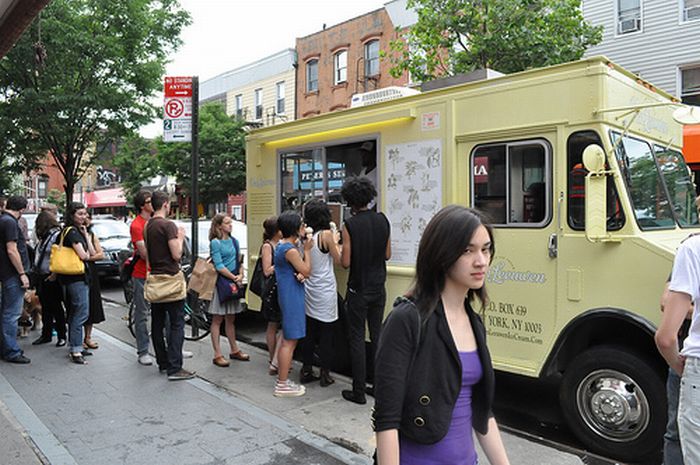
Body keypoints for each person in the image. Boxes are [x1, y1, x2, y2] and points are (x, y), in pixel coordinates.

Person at [373, 206, 510, 465]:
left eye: (486, 249)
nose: (481, 260)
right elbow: (386, 420)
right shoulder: (408, 319)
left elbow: (481, 411)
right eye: (467, 250)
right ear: (441, 254)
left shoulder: (475, 323)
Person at [340, 176, 391, 404]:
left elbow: (346, 262)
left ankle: (358, 391)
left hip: (358, 289)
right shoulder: (383, 220)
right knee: (378, 336)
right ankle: (379, 388)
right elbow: (387, 254)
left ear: (349, 200)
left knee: (357, 339)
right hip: (379, 287)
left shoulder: (349, 225)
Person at [656, 234, 700, 464]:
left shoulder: (692, 248)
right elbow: (666, 300)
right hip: (686, 353)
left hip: (690, 362)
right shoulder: (690, 245)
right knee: (675, 434)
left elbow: (665, 335)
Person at [144, 191, 194, 381]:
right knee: (176, 324)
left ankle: (163, 362)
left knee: (157, 322)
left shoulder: (148, 226)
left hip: (156, 279)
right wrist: (180, 236)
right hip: (171, 279)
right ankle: (175, 368)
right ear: (165, 204)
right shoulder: (168, 225)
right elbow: (176, 254)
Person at [273, 210, 313, 397]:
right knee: (289, 341)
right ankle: (282, 384)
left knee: (289, 339)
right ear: (296, 228)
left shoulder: (283, 247)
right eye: (302, 225)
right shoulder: (289, 250)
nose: (304, 228)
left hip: (288, 293)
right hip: (291, 296)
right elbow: (306, 270)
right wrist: (307, 251)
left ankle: (283, 379)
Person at [301, 199, 340, 387]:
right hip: (325, 289)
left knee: (309, 332)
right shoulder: (325, 235)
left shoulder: (306, 237)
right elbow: (339, 259)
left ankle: (306, 369)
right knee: (327, 334)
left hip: (309, 288)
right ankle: (325, 373)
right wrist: (337, 241)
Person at [208, 213, 248, 367]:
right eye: (227, 223)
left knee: (231, 318)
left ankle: (234, 349)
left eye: (230, 222)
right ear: (219, 226)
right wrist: (234, 277)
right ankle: (217, 353)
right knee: (218, 319)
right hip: (221, 283)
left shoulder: (234, 241)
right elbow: (218, 265)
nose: (230, 225)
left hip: (232, 281)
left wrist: (241, 274)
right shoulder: (215, 243)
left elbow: (239, 260)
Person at [58, 202, 96, 364]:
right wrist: (86, 248)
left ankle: (76, 346)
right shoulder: (72, 233)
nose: (83, 217)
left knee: (76, 312)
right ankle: (75, 350)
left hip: (73, 278)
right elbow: (85, 255)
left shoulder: (77, 231)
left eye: (85, 214)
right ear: (72, 215)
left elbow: (91, 252)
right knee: (80, 313)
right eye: (79, 214)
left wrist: (86, 235)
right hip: (76, 279)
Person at [660, 279, 690, 465]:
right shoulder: (690, 252)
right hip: (685, 361)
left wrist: (687, 307)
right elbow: (665, 302)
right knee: (675, 433)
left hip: (686, 362)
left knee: (676, 434)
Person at [0, 196, 31, 363]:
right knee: (11, 314)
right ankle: (11, 351)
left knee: (5, 313)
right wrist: (22, 273)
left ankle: (6, 348)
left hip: (5, 273)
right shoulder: (10, 222)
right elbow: (12, 249)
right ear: (23, 209)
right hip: (11, 274)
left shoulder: (2, 219)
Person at [31, 210, 67, 347]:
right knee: (45, 307)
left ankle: (61, 335)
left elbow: (59, 255)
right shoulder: (44, 237)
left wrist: (54, 274)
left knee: (56, 307)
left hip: (52, 276)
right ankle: (46, 334)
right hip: (43, 276)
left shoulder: (56, 235)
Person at [129, 190, 154, 365]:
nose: (152, 203)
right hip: (142, 273)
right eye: (148, 201)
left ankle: (173, 346)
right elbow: (144, 253)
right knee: (142, 313)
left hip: (157, 272)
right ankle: (143, 350)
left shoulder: (155, 222)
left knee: (166, 311)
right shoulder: (137, 225)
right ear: (141, 205)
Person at [260, 216, 283, 375]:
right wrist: (282, 262)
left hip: (280, 288)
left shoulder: (280, 244)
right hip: (272, 291)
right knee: (273, 324)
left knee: (277, 324)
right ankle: (272, 358)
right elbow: (267, 270)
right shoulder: (268, 246)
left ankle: (277, 358)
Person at [83, 212, 105, 350]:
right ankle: (77, 338)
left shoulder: (91, 235)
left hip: (90, 271)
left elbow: (100, 254)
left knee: (92, 304)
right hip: (76, 273)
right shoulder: (70, 233)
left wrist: (86, 258)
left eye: (88, 217)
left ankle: (88, 337)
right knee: (79, 306)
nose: (86, 219)